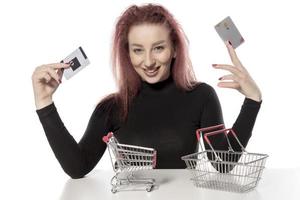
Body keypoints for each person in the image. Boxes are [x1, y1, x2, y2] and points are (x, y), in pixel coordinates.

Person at [32, 4, 262, 179]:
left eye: (159, 48)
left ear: (174, 50)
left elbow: (223, 163)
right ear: (128, 54)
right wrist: (44, 103)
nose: (149, 61)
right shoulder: (112, 107)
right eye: (138, 50)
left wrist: (253, 100)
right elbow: (77, 167)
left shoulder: (201, 96)